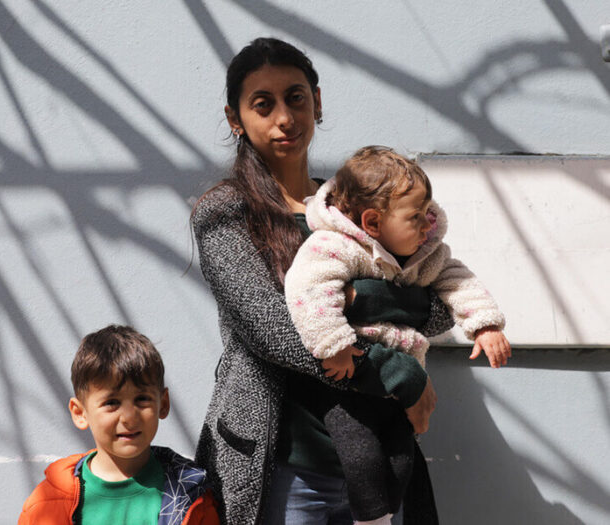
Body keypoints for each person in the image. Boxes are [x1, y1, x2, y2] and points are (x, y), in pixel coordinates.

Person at [192, 37, 454, 525]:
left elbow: (439, 305)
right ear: (235, 119)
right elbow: (273, 331)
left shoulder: (356, 205)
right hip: (285, 464)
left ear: (317, 100)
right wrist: (402, 374)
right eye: (262, 105)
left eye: (295, 98)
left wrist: (356, 296)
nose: (285, 118)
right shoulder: (223, 213)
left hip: (379, 454)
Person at [284, 146, 511, 523]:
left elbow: (457, 279)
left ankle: (382, 516)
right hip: (350, 380)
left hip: (395, 391)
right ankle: (371, 519)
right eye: (415, 218)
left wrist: (485, 324)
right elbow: (308, 289)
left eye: (427, 215)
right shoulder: (334, 245)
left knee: (402, 457)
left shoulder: (423, 254)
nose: (426, 227)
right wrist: (334, 344)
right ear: (372, 223)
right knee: (361, 455)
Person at [18, 325, 219, 525]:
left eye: (142, 399)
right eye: (111, 403)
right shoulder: (46, 503)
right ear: (80, 413)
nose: (129, 417)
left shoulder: (192, 497)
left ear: (163, 404)